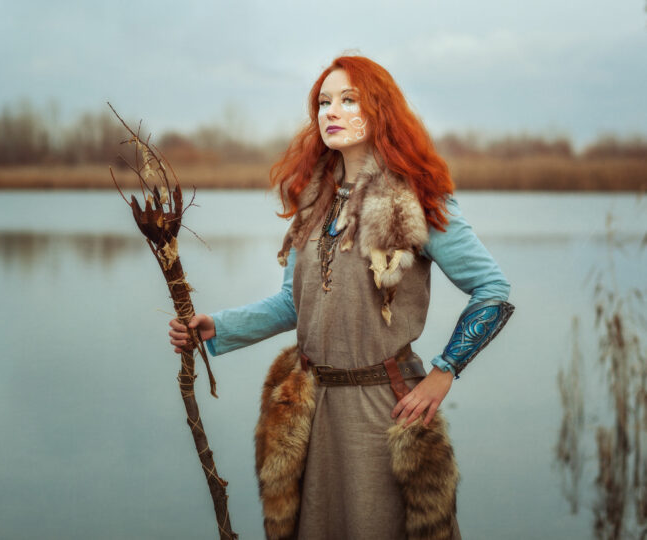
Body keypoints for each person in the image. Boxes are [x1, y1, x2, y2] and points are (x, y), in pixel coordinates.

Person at [168, 55, 513, 540]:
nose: (332, 111)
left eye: (348, 100)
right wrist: (219, 327)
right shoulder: (314, 200)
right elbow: (294, 303)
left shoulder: (417, 198)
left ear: (380, 111)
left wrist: (443, 373)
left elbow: (493, 293)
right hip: (309, 410)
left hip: (383, 412)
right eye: (324, 102)